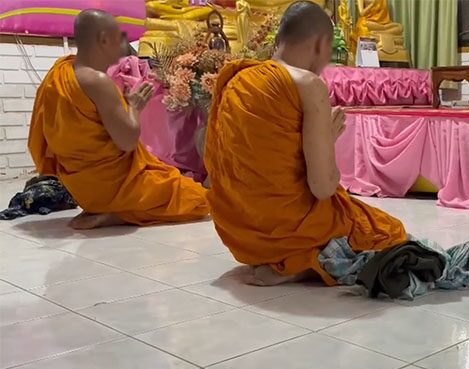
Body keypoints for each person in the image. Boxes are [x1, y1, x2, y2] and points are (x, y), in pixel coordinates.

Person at [204, 1, 406, 286]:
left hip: (239, 232)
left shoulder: (238, 78)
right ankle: (299, 262)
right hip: (286, 229)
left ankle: (283, 257)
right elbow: (322, 187)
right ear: (321, 44)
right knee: (387, 231)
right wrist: (328, 140)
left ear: (278, 39)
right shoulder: (308, 84)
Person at [28, 10, 209, 229]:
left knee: (165, 175)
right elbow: (128, 141)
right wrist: (135, 107)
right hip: (112, 187)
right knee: (197, 199)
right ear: (104, 39)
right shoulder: (97, 81)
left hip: (80, 188)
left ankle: (110, 208)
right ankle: (119, 214)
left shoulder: (58, 72)